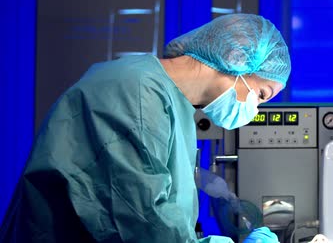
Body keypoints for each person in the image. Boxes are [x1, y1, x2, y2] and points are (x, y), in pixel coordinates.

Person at [0, 13, 291, 243]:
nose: (254, 110)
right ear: (237, 60)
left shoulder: (169, 102)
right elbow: (142, 222)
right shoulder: (136, 93)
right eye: (261, 95)